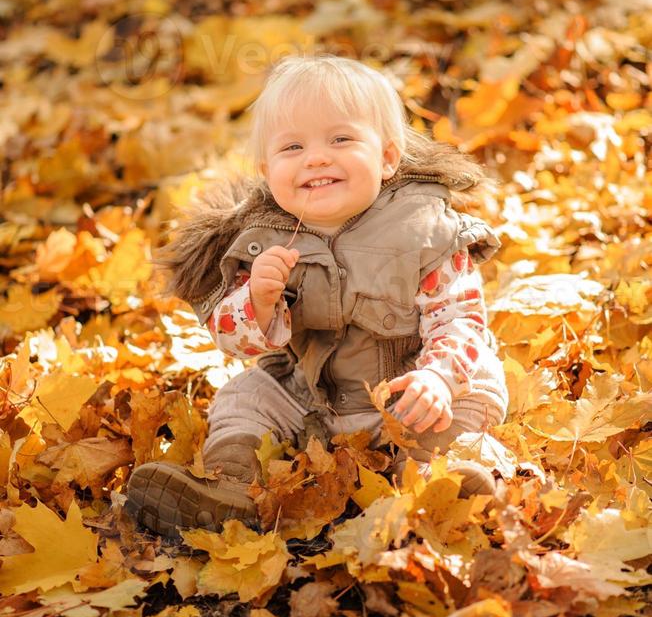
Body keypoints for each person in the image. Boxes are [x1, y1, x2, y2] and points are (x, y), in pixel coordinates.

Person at [125, 54, 509, 538]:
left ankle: (446, 483)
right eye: (292, 147)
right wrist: (258, 304)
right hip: (310, 400)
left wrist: (437, 377)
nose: (317, 157)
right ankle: (232, 487)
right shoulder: (262, 242)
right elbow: (233, 342)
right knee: (242, 398)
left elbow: (460, 317)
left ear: (388, 157)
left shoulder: (424, 231)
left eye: (341, 139)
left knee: (469, 403)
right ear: (268, 170)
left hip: (408, 393)